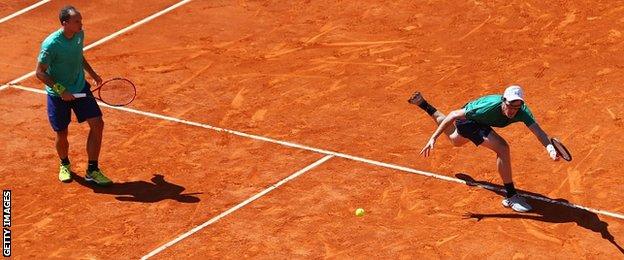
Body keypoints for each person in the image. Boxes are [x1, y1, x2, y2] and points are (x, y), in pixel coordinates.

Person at [409, 85, 558, 212]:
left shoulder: (522, 111)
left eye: (517, 106)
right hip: (469, 120)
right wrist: (433, 137)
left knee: (455, 140)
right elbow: (454, 114)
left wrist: (550, 148)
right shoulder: (486, 108)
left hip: (481, 121)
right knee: (503, 148)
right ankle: (511, 196)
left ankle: (424, 105)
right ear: (503, 101)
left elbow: (538, 131)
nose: (513, 110)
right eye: (510, 105)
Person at [35, 6, 112, 186]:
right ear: (65, 23)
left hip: (80, 87)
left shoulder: (79, 34)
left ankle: (92, 170)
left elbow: (79, 56)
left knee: (98, 123)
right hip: (57, 95)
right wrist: (62, 90)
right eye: (77, 21)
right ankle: (64, 164)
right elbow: (39, 73)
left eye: (81, 20)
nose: (81, 24)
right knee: (61, 132)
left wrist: (92, 74)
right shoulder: (51, 45)